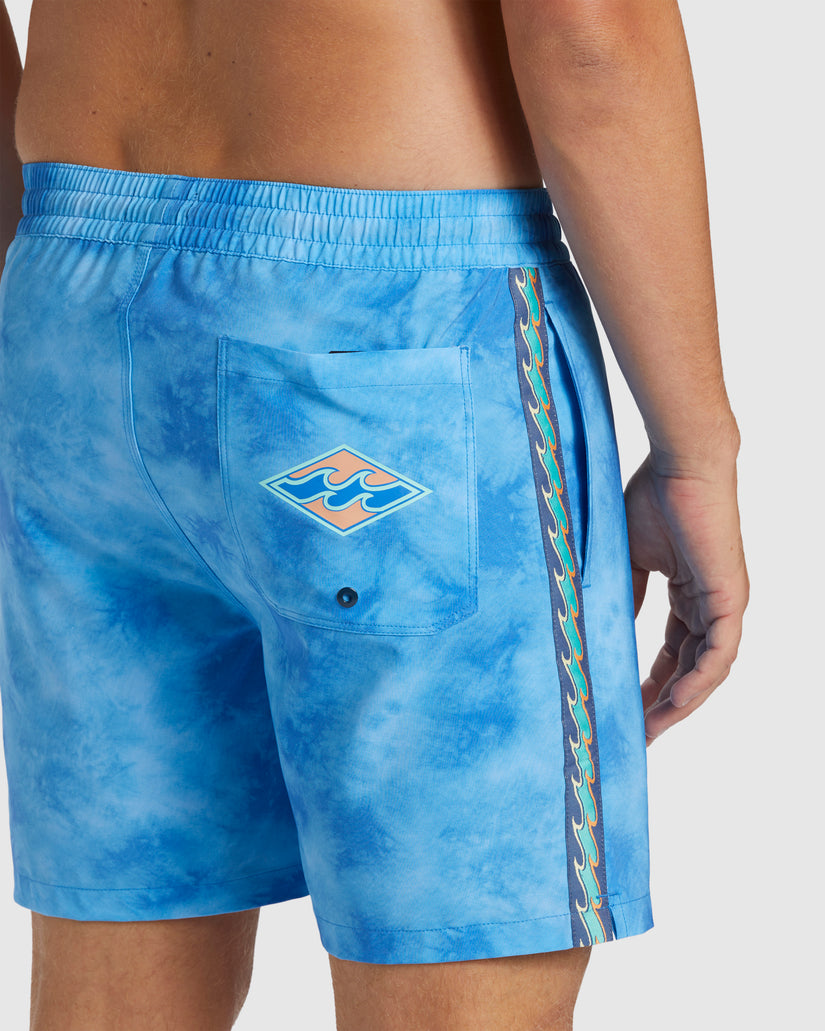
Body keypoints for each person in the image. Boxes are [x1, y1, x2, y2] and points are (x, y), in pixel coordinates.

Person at [0, 1, 748, 1029]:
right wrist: (695, 452)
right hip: (391, 338)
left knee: (113, 986)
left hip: (68, 307)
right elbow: (588, 30)